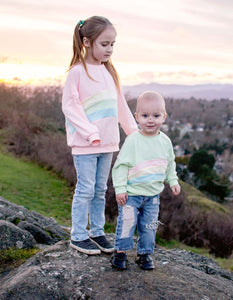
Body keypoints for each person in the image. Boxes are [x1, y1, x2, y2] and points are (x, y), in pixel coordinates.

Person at [62, 16, 138, 255]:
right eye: (104, 44)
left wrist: (135, 135)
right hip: (86, 144)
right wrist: (90, 132)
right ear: (87, 42)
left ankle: (96, 232)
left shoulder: (109, 73)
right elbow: (70, 107)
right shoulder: (76, 73)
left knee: (100, 190)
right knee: (85, 189)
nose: (110, 49)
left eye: (113, 44)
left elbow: (120, 107)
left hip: (108, 144)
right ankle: (78, 235)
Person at [111, 91, 181, 270]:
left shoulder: (165, 142)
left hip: (152, 196)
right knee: (127, 223)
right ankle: (120, 253)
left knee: (149, 227)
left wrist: (173, 181)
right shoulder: (133, 140)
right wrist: (120, 189)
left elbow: (169, 163)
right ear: (137, 117)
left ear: (164, 117)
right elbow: (121, 166)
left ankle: (144, 254)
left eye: (156, 116)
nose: (150, 120)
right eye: (145, 116)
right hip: (131, 195)